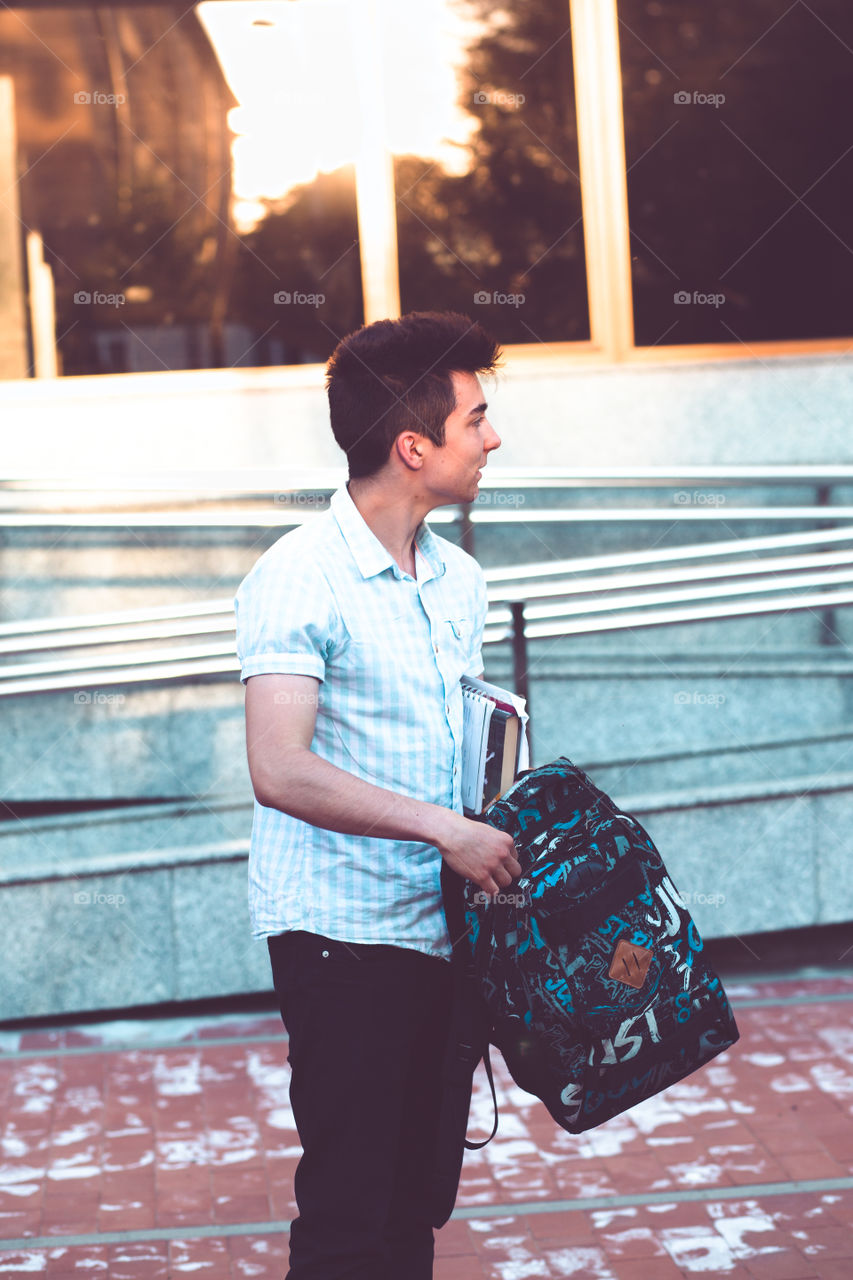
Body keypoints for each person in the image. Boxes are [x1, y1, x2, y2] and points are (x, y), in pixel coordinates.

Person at [233, 310, 521, 1280]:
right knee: (351, 1215)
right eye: (474, 417)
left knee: (413, 1202)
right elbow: (279, 766)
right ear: (412, 445)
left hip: (441, 929)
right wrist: (442, 827)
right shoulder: (297, 575)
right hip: (340, 936)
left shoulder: (459, 579)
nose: (491, 437)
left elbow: (464, 743)